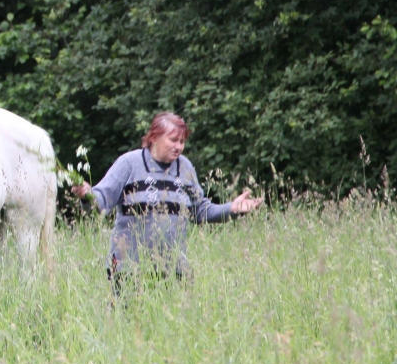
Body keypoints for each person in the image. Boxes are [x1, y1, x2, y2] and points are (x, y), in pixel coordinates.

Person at [70, 112, 263, 293]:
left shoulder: (185, 167)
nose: (178, 146)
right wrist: (87, 195)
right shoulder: (128, 163)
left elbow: (200, 211)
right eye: (173, 140)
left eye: (182, 141)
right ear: (154, 137)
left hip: (174, 270)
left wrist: (232, 209)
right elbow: (103, 200)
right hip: (128, 269)